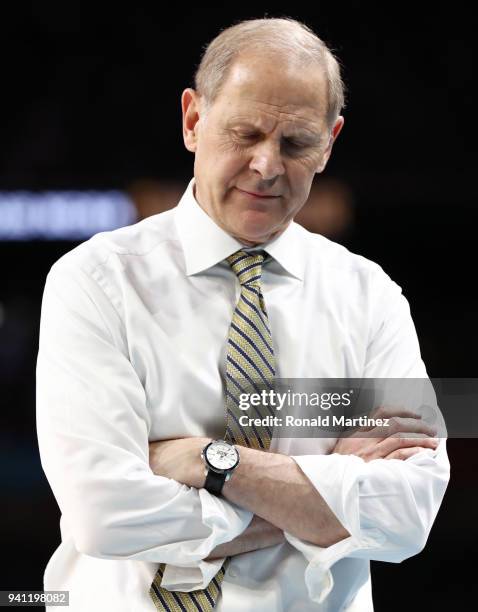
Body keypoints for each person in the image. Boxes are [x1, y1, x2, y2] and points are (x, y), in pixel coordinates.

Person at [36, 17, 449, 612]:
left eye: (296, 143)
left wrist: (210, 462)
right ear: (193, 120)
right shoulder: (95, 280)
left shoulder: (371, 296)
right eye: (245, 133)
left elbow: (407, 515)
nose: (266, 166)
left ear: (330, 142)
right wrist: (318, 500)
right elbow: (103, 516)